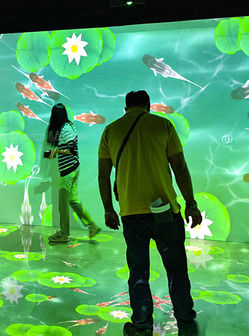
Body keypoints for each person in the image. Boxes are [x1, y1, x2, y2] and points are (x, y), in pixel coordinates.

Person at [97, 90, 202, 336]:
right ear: (149, 106)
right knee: (177, 270)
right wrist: (191, 203)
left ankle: (142, 326)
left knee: (138, 273)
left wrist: (108, 209)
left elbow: (103, 176)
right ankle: (186, 323)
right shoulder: (163, 125)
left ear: (125, 108)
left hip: (131, 214)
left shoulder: (111, 131)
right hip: (165, 212)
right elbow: (179, 167)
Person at [44, 103, 100, 243]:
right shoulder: (69, 126)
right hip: (74, 168)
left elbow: (72, 150)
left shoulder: (65, 128)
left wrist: (56, 151)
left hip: (68, 171)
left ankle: (64, 234)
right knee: (73, 200)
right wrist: (55, 152)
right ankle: (92, 226)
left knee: (63, 205)